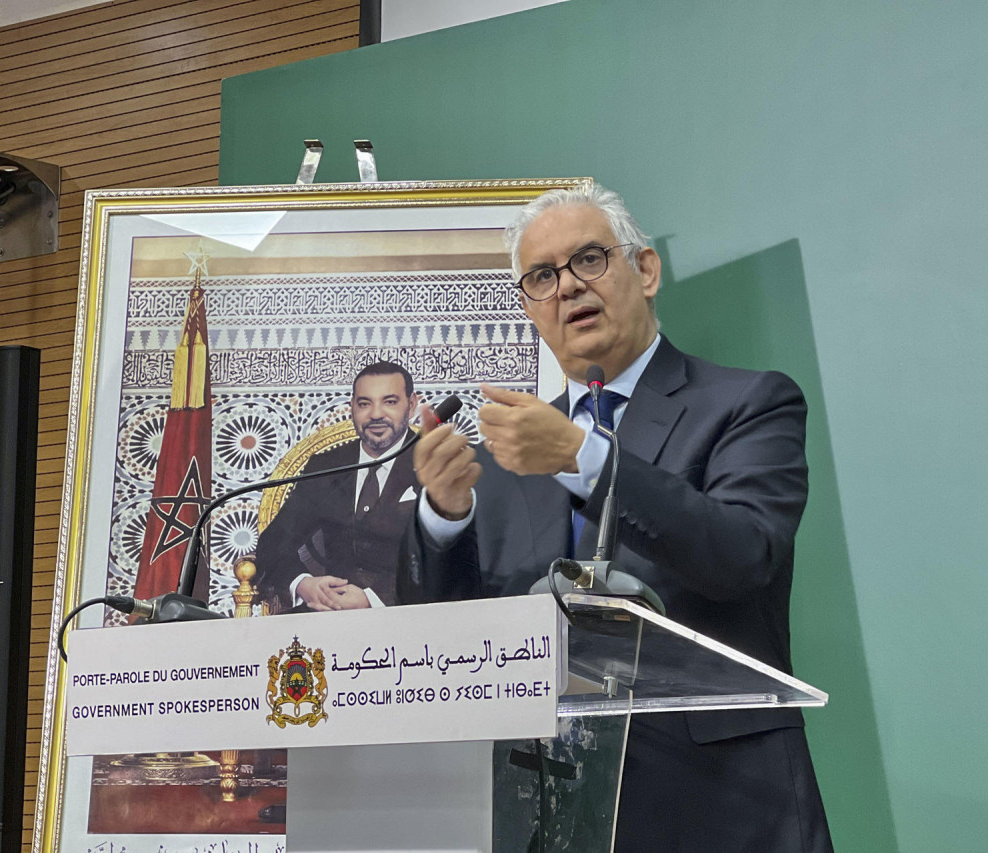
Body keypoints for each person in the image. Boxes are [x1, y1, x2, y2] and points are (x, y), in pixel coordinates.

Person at [399, 183, 833, 852]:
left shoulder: (749, 402)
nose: (567, 287)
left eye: (589, 259)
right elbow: (447, 646)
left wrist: (586, 458)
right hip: (548, 808)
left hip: (720, 806)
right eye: (543, 276)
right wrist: (443, 516)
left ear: (647, 270)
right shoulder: (508, 453)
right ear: (527, 306)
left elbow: (744, 555)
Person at [255, 361, 421, 612]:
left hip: (412, 616)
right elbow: (273, 544)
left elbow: (455, 562)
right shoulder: (327, 466)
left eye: (389, 401)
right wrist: (304, 584)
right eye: (365, 403)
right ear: (352, 407)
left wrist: (373, 599)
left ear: (411, 405)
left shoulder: (441, 464)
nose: (376, 414)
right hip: (326, 615)